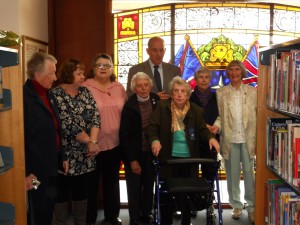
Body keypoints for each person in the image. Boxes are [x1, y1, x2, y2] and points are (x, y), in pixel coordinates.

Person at [147, 76, 220, 225]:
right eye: (176, 91)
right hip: (169, 159)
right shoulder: (162, 107)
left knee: (187, 194)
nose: (179, 94)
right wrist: (155, 140)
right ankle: (166, 221)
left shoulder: (196, 110)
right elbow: (152, 128)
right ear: (172, 94)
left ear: (187, 94)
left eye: (182, 92)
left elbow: (202, 130)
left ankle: (186, 221)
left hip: (190, 159)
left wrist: (211, 138)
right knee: (168, 194)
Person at [49, 59, 101, 225]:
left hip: (85, 155)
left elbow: (95, 117)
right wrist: (90, 142)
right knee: (61, 195)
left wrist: (92, 141)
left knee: (82, 194)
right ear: (67, 74)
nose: (82, 76)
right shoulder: (55, 95)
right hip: (63, 155)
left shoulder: (85, 92)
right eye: (78, 73)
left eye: (82, 73)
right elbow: (66, 124)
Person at [210, 60, 257, 224]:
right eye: (231, 70)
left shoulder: (253, 92)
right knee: (232, 175)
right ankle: (236, 205)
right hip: (230, 139)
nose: (235, 72)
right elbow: (220, 117)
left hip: (248, 139)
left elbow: (258, 116)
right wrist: (216, 127)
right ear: (228, 73)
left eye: (238, 69)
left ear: (242, 72)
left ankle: (252, 208)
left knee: (250, 176)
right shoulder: (221, 93)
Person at [83, 53, 127, 225]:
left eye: (107, 65)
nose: (103, 68)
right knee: (91, 185)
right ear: (93, 68)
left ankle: (112, 216)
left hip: (115, 144)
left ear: (112, 68)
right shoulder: (85, 87)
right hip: (92, 146)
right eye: (99, 65)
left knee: (112, 183)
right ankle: (89, 219)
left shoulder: (118, 87)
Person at [24, 52, 60, 225]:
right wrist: (26, 172)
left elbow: (56, 129)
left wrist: (63, 156)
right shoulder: (24, 98)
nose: (55, 77)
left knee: (49, 206)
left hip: (52, 166)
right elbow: (20, 139)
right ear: (38, 74)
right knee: (38, 209)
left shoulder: (48, 94)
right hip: (35, 172)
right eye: (52, 73)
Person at [119, 72, 160, 225]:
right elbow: (124, 136)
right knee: (134, 187)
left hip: (152, 151)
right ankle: (134, 217)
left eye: (146, 85)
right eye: (139, 86)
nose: (143, 88)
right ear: (134, 88)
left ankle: (146, 213)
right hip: (135, 153)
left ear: (150, 86)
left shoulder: (156, 100)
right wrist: (132, 160)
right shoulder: (129, 106)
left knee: (149, 184)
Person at [189, 67, 219, 182]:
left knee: (209, 171)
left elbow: (220, 115)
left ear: (210, 79)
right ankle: (194, 197)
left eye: (207, 77)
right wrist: (202, 125)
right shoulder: (189, 97)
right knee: (193, 170)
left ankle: (208, 195)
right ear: (196, 80)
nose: (204, 80)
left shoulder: (216, 97)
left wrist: (215, 126)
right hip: (194, 138)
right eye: (201, 77)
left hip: (212, 136)